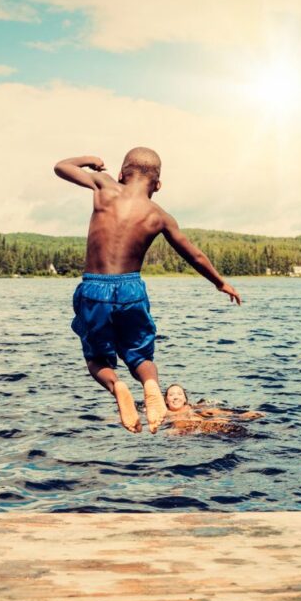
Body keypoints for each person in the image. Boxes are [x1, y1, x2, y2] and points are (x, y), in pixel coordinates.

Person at [55, 147, 241, 434]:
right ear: (158, 185)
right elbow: (194, 255)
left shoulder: (104, 186)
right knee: (141, 357)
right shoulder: (160, 215)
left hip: (94, 287)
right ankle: (150, 386)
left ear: (120, 174)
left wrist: (90, 161)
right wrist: (220, 282)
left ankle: (117, 387)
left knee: (96, 358)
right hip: (132, 289)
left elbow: (62, 166)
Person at [163, 383, 263, 436]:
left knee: (220, 420)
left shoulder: (193, 407)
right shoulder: (165, 413)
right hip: (190, 430)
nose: (176, 397)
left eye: (179, 394)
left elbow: (216, 410)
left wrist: (241, 414)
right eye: (171, 395)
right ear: (166, 400)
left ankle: (241, 417)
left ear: (185, 399)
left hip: (205, 425)